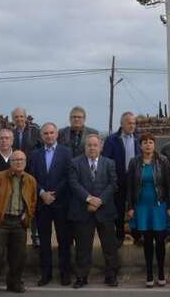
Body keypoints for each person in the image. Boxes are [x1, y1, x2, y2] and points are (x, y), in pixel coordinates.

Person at [0, 150, 38, 297]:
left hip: (19, 222)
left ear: (25, 162)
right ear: (10, 162)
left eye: (21, 160)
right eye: (15, 160)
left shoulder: (31, 180)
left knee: (19, 255)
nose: (18, 162)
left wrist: (28, 216)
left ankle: (14, 283)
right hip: (1, 222)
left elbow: (32, 201)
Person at [68, 135, 120, 288]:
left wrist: (99, 201)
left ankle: (111, 276)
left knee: (109, 246)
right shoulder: (75, 163)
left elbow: (113, 184)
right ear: (85, 147)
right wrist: (89, 199)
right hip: (83, 211)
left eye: (95, 145)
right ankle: (81, 277)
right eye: (89, 145)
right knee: (83, 247)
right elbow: (73, 183)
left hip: (105, 211)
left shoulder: (109, 163)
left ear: (101, 147)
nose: (92, 148)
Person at [29, 122, 74, 287]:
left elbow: (68, 176)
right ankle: (46, 274)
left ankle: (65, 274)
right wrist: (42, 193)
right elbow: (32, 177)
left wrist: (54, 194)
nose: (49, 136)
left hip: (61, 203)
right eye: (46, 133)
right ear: (42, 136)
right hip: (42, 205)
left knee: (64, 241)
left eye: (51, 133)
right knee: (44, 242)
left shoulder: (66, 152)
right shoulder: (35, 154)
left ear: (57, 135)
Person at [126, 133, 170, 287]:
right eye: (145, 142)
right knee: (147, 241)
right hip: (142, 206)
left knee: (160, 240)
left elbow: (169, 184)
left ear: (154, 145)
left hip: (159, 205)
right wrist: (131, 207)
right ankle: (148, 273)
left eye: (151, 142)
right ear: (140, 145)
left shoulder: (163, 160)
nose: (148, 145)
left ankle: (160, 272)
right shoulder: (134, 162)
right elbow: (130, 186)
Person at [102, 111, 141, 245]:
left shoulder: (139, 138)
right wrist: (112, 179)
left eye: (134, 123)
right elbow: (106, 160)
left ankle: (137, 235)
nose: (132, 126)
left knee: (136, 207)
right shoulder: (111, 140)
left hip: (135, 180)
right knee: (118, 209)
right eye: (129, 123)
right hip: (118, 180)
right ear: (122, 124)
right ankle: (119, 236)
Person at [11, 107, 43, 248]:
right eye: (16, 117)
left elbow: (42, 150)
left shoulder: (35, 130)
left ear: (26, 117)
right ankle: (18, 238)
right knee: (18, 205)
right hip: (15, 174)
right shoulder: (11, 133)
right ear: (13, 119)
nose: (19, 119)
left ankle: (36, 236)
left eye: (21, 116)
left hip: (32, 173)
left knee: (33, 205)